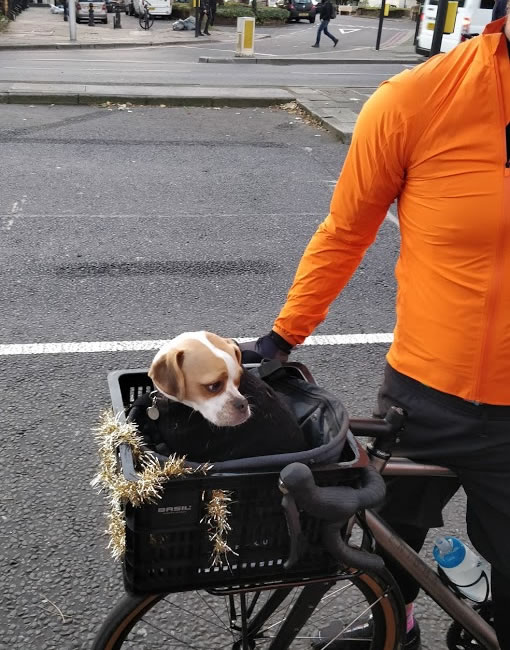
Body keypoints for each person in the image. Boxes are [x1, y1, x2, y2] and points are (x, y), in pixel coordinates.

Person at [241, 9, 510, 650]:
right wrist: (282, 338)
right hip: (424, 397)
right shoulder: (416, 100)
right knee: (390, 556)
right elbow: (345, 231)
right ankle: (399, 627)